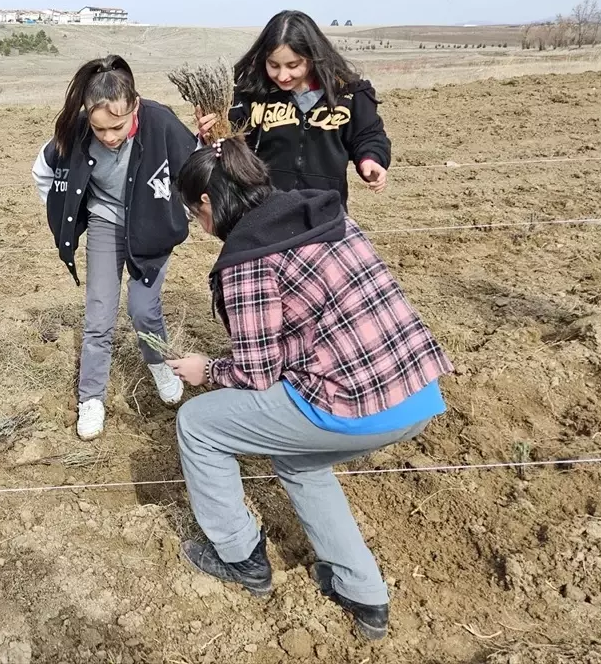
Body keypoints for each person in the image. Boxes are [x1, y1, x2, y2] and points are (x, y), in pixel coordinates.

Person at [165, 138, 453, 640]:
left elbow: (255, 372)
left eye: (194, 216)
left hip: (356, 406)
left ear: (207, 204)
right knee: (297, 456)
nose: (200, 228)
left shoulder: (248, 256)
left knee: (198, 424)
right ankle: (363, 593)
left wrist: (205, 370)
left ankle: (238, 557)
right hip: (416, 389)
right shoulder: (319, 213)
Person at [32, 55, 200, 441]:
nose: (109, 136)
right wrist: (62, 211)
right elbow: (42, 170)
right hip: (107, 225)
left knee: (143, 309)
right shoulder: (73, 132)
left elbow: (195, 169)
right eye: (99, 128)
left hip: (152, 227)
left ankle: (157, 362)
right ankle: (91, 397)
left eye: (118, 126)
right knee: (99, 314)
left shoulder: (161, 123)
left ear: (134, 106)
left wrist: (182, 215)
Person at [196, 9, 391, 209]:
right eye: (274, 65)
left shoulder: (350, 94)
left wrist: (371, 159)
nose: (282, 76)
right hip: (262, 215)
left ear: (313, 57)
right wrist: (208, 136)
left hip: (325, 215)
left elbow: (369, 135)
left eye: (293, 65)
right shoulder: (249, 96)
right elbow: (225, 146)